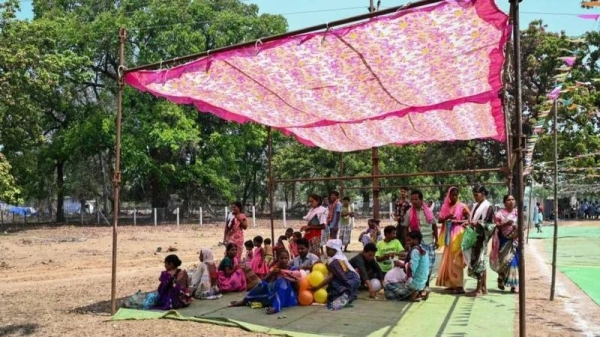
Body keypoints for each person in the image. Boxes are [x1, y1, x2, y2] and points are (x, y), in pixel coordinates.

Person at [229, 250, 299, 315]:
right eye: (281, 258)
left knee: (282, 282)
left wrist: (289, 276)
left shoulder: (293, 269)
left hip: (288, 295)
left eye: (286, 258)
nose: (284, 260)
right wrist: (272, 273)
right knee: (261, 285)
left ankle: (276, 307)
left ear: (288, 259)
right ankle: (244, 300)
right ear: (278, 259)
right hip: (273, 293)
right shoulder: (275, 269)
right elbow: (264, 281)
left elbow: (297, 287)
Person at [402, 189, 437, 298]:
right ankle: (419, 287)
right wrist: (407, 241)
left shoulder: (429, 211)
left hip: (429, 242)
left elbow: (434, 225)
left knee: (429, 266)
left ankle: (425, 286)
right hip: (416, 243)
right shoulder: (409, 212)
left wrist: (437, 240)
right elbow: (405, 227)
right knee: (417, 266)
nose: (414, 201)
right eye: (412, 199)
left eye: (416, 199)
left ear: (421, 200)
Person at [462, 184, 495, 297]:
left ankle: (479, 289)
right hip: (475, 236)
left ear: (483, 194)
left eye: (476, 194)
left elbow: (490, 224)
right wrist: (469, 223)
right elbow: (474, 220)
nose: (475, 197)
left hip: (481, 237)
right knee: (480, 261)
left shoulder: (487, 206)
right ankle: (483, 287)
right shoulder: (477, 205)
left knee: (480, 261)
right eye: (474, 195)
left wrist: (478, 224)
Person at [436, 187, 470, 294]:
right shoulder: (445, 206)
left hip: (458, 235)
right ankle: (451, 284)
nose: (454, 197)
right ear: (449, 195)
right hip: (448, 235)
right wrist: (447, 217)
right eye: (452, 195)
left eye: (456, 195)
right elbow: (439, 219)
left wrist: (456, 221)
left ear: (458, 195)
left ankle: (459, 286)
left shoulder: (462, 206)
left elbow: (469, 219)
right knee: (448, 260)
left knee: (456, 260)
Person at [311, 239, 361, 310]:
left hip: (349, 281)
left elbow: (331, 277)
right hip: (355, 280)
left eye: (328, 249)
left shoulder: (334, 262)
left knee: (333, 284)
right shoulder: (339, 256)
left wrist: (317, 287)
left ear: (334, 250)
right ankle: (351, 293)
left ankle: (346, 294)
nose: (326, 251)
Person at [384, 231, 430, 302]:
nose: (407, 243)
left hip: (415, 283)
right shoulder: (422, 249)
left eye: (409, 240)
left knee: (388, 288)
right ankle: (421, 292)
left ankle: (413, 295)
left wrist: (402, 265)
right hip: (422, 281)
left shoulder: (415, 251)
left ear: (416, 240)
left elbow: (412, 267)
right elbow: (408, 256)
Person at [490, 195, 519, 293]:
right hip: (504, 240)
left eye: (512, 199)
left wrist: (518, 229)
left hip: (515, 240)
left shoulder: (517, 213)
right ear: (504, 202)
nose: (511, 201)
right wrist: (504, 224)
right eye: (508, 200)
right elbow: (495, 226)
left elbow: (523, 225)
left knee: (514, 261)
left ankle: (513, 285)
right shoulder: (499, 214)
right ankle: (501, 277)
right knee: (505, 261)